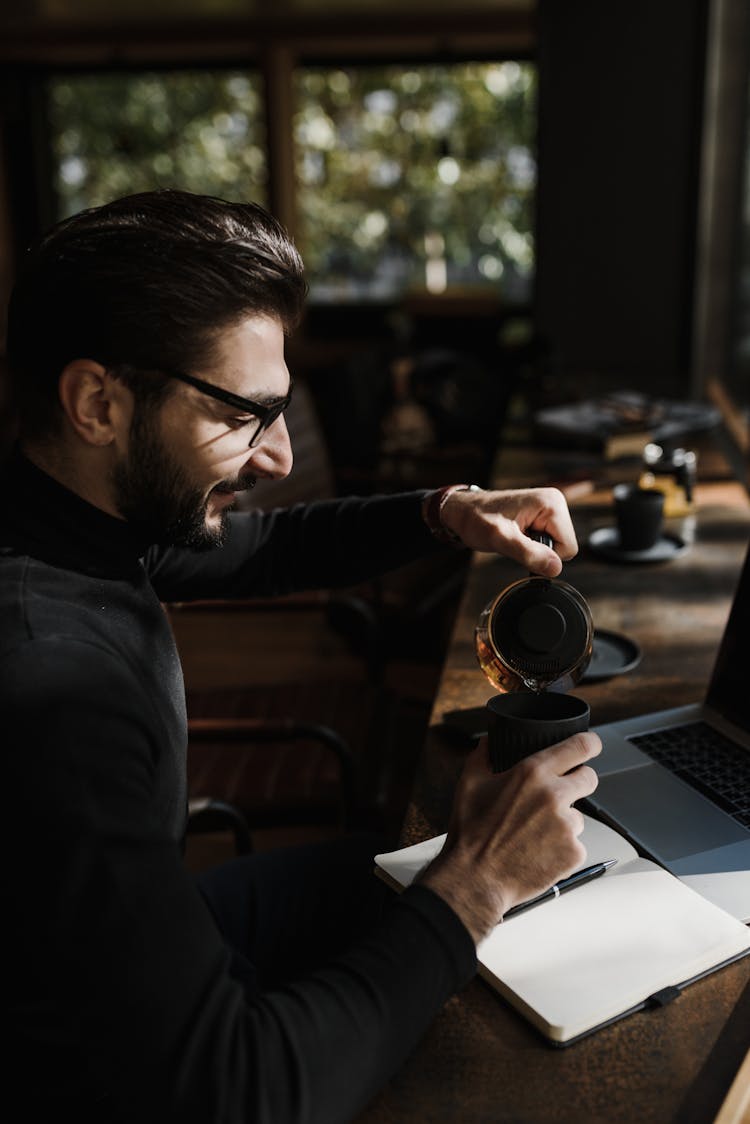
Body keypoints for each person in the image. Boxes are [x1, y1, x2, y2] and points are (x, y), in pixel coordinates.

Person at [1, 189, 600, 1123]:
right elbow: (239, 1094)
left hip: (122, 941)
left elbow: (267, 548)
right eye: (247, 413)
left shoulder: (66, 513)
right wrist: (473, 886)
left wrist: (445, 510)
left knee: (412, 860)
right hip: (78, 1078)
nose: (277, 456)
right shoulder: (55, 693)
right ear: (97, 403)